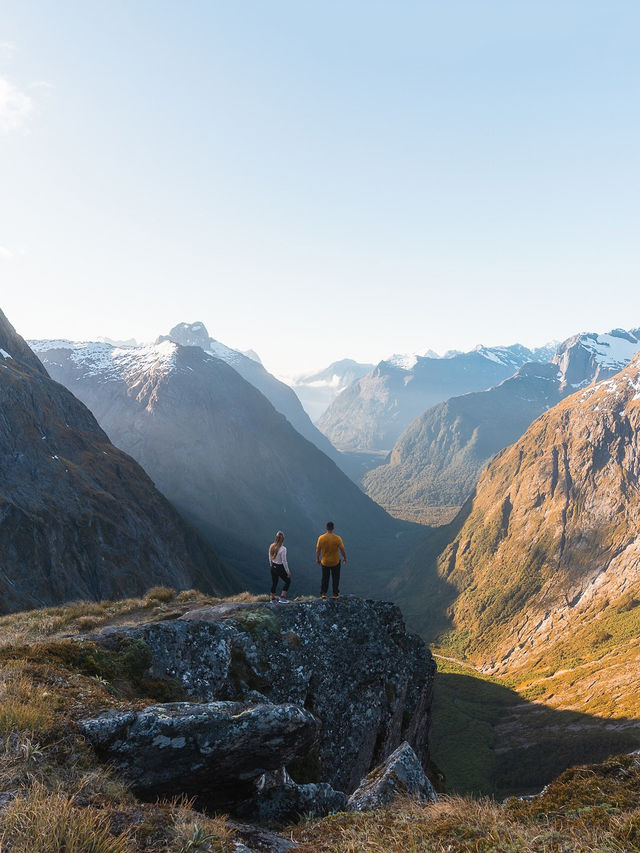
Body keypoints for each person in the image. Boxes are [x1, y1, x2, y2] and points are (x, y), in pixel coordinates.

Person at [315, 521, 347, 600]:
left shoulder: (321, 538)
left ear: (326, 528)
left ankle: (323, 593)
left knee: (325, 578)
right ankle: (335, 594)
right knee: (335, 578)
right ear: (333, 529)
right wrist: (344, 558)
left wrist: (317, 559)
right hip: (335, 562)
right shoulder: (337, 538)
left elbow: (318, 550)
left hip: (325, 562)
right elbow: (342, 550)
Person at [268, 530, 291, 603]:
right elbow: (284, 561)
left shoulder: (272, 546)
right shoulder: (283, 549)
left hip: (273, 566)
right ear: (282, 539)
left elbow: (270, 557)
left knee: (274, 583)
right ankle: (282, 597)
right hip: (280, 567)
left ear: (276, 538)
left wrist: (272, 566)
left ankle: (272, 599)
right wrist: (288, 571)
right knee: (288, 581)